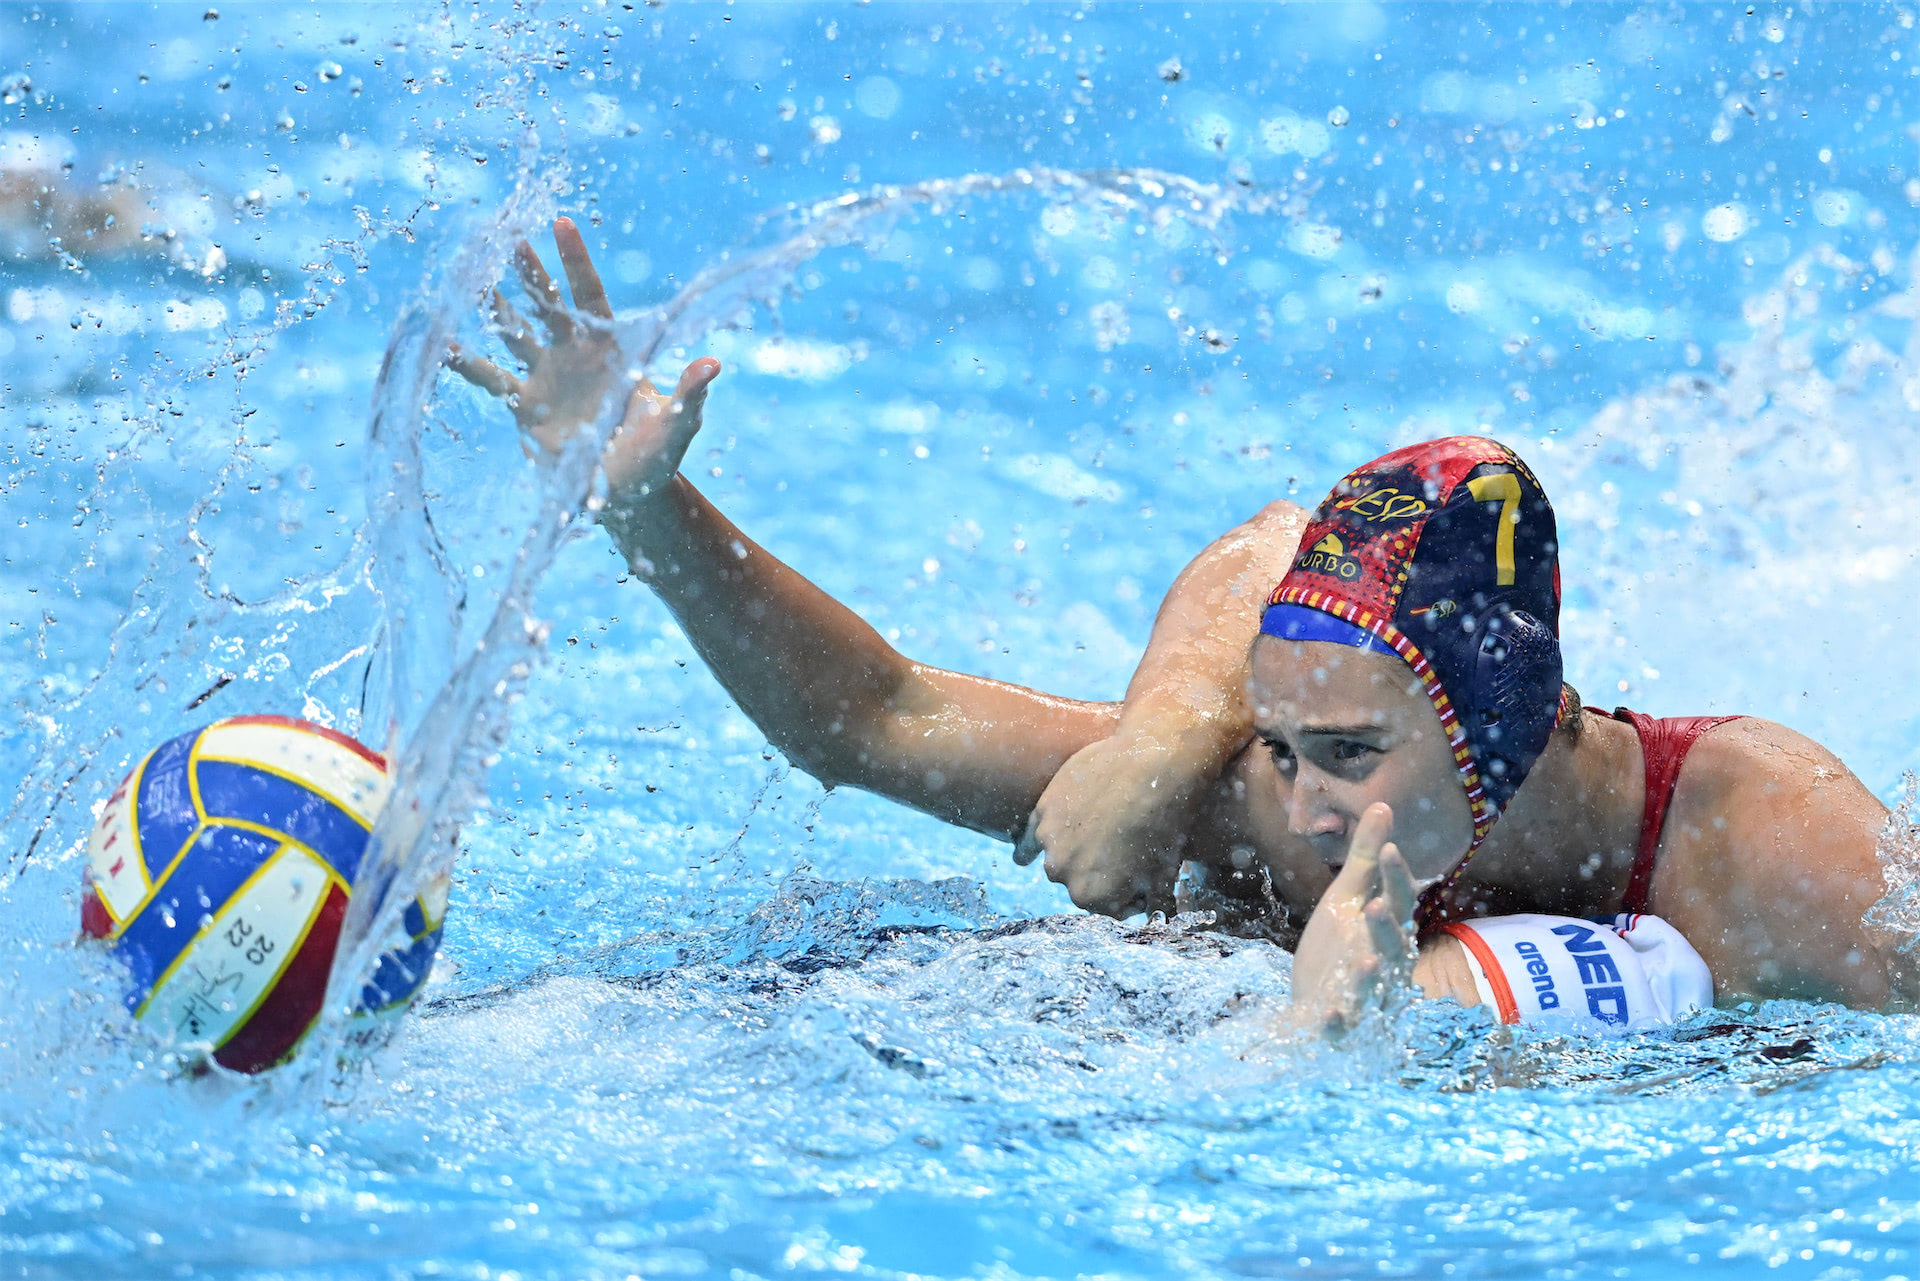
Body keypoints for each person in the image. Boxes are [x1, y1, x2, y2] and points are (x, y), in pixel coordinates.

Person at [447, 218, 1908, 1032]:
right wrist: (649, 518)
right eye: (1274, 740)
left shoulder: (1768, 853)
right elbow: (872, 721)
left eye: (1343, 749)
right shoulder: (1267, 794)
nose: (1303, 793)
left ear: (1506, 726)